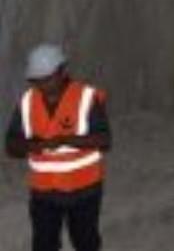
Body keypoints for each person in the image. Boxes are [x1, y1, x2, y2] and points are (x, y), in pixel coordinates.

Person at [5, 44, 111, 251]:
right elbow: (11, 145)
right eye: (37, 80)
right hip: (44, 193)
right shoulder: (27, 102)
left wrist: (64, 140)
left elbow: (104, 140)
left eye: (47, 78)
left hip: (84, 191)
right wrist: (32, 146)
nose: (42, 85)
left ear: (63, 72)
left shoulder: (86, 98)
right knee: (44, 244)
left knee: (86, 242)